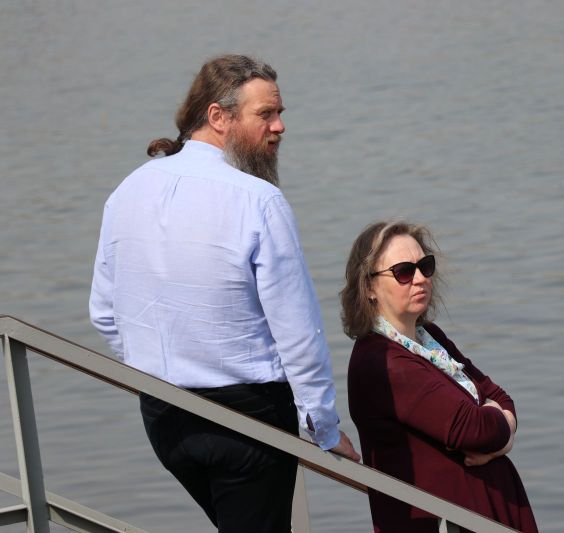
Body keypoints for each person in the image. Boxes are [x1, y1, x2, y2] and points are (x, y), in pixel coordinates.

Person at [89, 54, 359, 533]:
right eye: (265, 114)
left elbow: (105, 313)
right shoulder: (259, 200)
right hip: (248, 421)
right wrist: (323, 426)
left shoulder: (129, 189)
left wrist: (154, 371)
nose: (279, 126)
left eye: (280, 113)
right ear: (218, 116)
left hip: (164, 417)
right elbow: (297, 332)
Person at [341, 220, 538, 533]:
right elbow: (475, 430)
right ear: (369, 287)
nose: (420, 279)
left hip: (484, 513)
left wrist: (502, 433)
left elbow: (500, 398)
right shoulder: (382, 362)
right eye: (404, 272)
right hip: (443, 524)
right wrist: (501, 429)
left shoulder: (429, 337)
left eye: (425, 266)